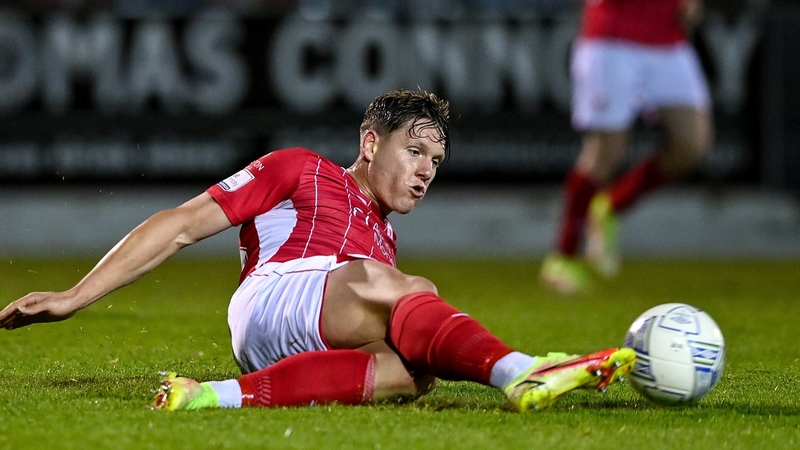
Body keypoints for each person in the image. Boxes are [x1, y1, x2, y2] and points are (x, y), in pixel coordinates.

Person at [0, 89, 634, 412]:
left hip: (299, 332)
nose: (425, 171)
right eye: (413, 151)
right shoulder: (301, 169)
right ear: (369, 142)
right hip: (277, 294)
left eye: (435, 161)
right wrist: (75, 296)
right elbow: (182, 224)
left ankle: (211, 397)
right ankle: (519, 371)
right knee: (408, 291)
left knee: (413, 372)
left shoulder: (383, 235)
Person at [540, 0, 714, 294]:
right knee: (606, 151)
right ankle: (563, 258)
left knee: (692, 144)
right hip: (612, 39)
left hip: (667, 39)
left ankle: (610, 206)